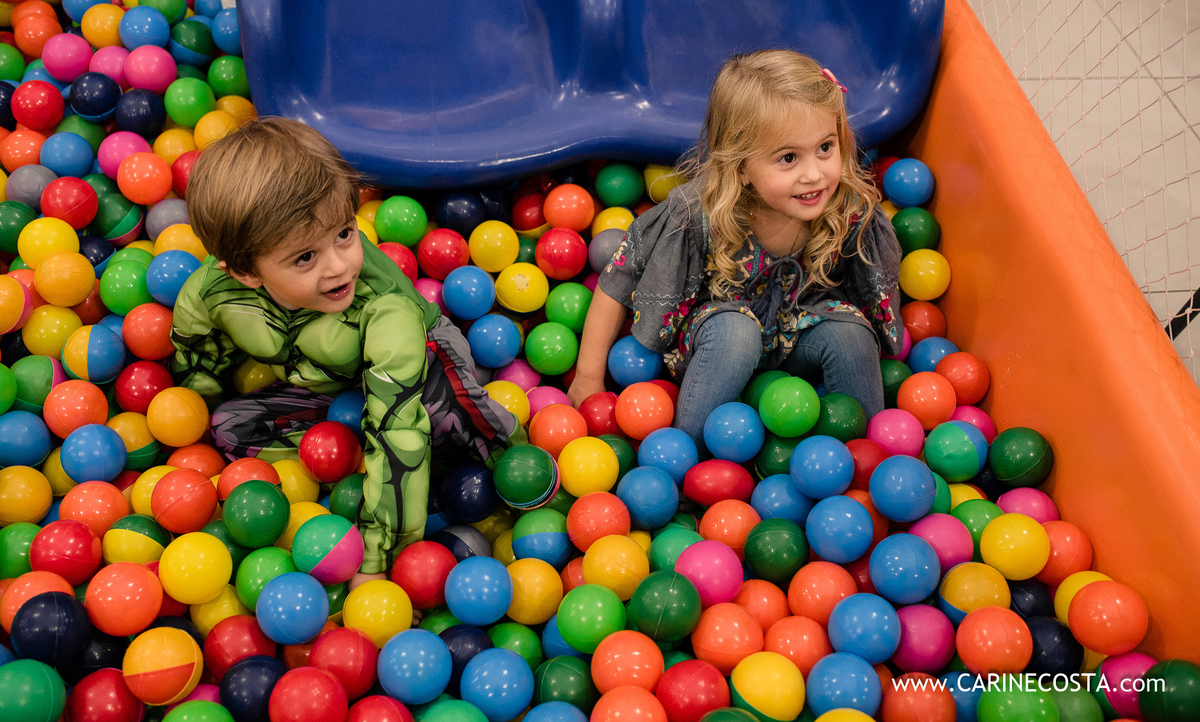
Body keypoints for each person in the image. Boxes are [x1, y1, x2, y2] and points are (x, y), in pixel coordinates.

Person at [170, 117, 523, 574]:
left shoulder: (385, 309)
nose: (339, 267)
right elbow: (196, 346)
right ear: (245, 271)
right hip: (332, 387)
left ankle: (518, 472)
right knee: (229, 428)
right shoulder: (216, 293)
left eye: (343, 233)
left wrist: (376, 561)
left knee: (450, 414)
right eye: (305, 257)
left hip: (418, 363)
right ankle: (357, 458)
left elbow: (400, 427)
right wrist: (193, 401)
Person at [568, 50, 903, 445]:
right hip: (716, 341)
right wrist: (587, 376)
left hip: (800, 331)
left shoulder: (847, 207)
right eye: (789, 157)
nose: (814, 174)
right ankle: (686, 458)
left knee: (851, 336)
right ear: (741, 165)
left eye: (826, 147)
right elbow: (619, 279)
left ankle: (866, 464)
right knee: (735, 332)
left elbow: (878, 287)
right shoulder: (697, 214)